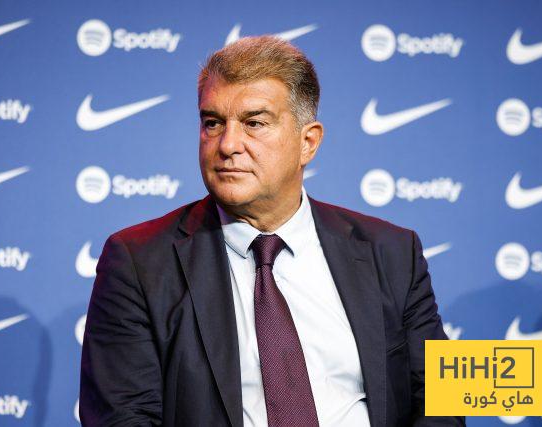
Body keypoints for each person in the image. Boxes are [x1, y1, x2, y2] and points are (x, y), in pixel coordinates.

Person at [79, 35, 465, 427]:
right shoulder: (139, 263)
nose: (227, 144)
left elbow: (443, 401)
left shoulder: (393, 251)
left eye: (254, 123)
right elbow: (122, 418)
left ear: (308, 142)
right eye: (213, 123)